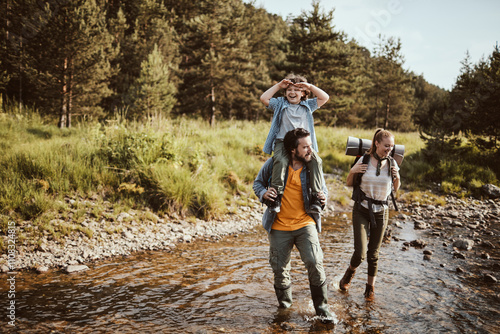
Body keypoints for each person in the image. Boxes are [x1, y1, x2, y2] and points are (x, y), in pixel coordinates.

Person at [253, 128, 335, 323]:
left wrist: (324, 197)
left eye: (311, 145)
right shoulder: (274, 163)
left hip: (305, 223)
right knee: (280, 270)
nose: (310, 150)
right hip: (279, 225)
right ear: (292, 149)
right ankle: (285, 309)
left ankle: (322, 310)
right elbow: (257, 184)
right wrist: (263, 193)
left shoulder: (312, 166)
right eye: (305, 147)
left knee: (315, 262)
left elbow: (323, 189)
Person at [339, 129, 401, 301]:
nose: (389, 149)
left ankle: (370, 289)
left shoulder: (392, 164)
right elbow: (349, 183)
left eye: (392, 146)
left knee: (374, 254)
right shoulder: (364, 160)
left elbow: (395, 189)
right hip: (362, 209)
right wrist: (353, 170)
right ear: (377, 144)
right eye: (386, 145)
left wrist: (396, 178)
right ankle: (349, 273)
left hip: (382, 211)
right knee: (360, 253)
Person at [260, 74, 329, 214]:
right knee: (280, 160)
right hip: (282, 141)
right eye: (289, 89)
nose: (292, 92)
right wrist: (279, 85)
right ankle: (276, 197)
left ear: (303, 93)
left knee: (316, 160)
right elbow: (264, 98)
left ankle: (316, 197)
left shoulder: (308, 105)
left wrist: (309, 86)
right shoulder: (280, 104)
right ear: (285, 92)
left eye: (296, 89)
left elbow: (324, 97)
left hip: (303, 143)